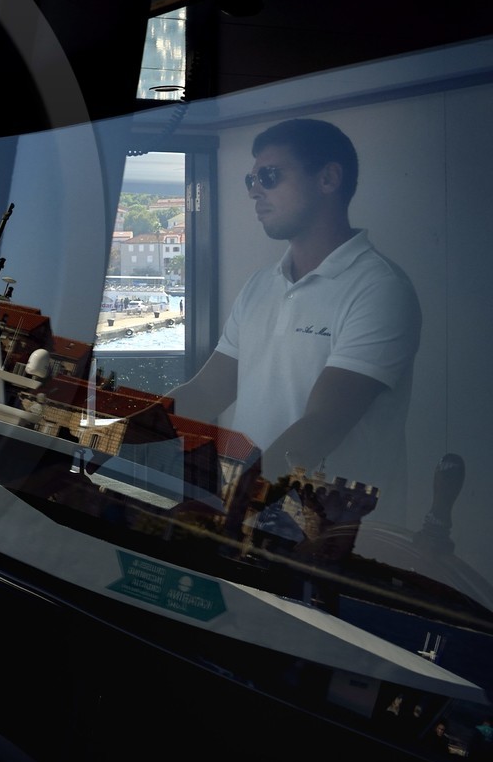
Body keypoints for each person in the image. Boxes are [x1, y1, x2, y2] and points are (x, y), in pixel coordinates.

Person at [168, 118, 420, 531]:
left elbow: (322, 423)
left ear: (328, 178)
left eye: (269, 175)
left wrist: (234, 501)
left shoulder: (379, 289)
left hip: (329, 539)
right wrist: (115, 432)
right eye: (250, 178)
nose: (253, 190)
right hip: (248, 518)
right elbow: (207, 390)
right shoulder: (260, 286)